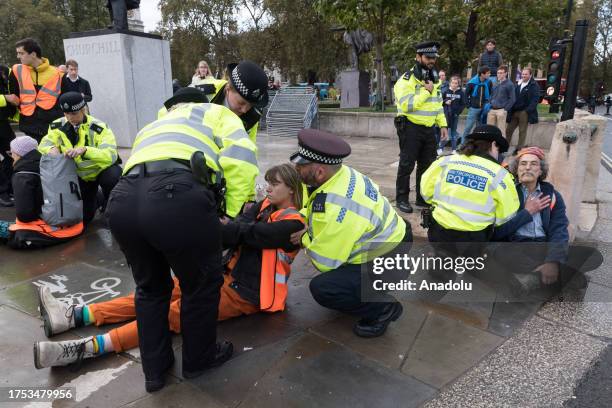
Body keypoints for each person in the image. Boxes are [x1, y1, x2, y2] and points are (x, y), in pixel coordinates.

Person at [33, 164, 305, 369]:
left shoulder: (294, 224)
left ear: (292, 188)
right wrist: (236, 225)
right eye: (268, 182)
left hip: (246, 293)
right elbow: (238, 226)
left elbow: (243, 233)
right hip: (223, 275)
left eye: (275, 183)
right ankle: (75, 315)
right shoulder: (264, 207)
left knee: (173, 315)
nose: (267, 187)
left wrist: (235, 226)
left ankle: (87, 348)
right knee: (154, 294)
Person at [104, 99, 256, 393]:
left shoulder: (155, 125)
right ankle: (199, 359)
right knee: (200, 285)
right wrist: (228, 215)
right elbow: (242, 161)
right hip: (176, 195)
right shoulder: (218, 114)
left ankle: (154, 371)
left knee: (150, 289)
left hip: (122, 200)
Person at [290, 129, 412, 338]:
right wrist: (302, 217)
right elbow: (317, 208)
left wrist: (303, 238)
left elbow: (325, 262)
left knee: (324, 288)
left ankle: (383, 309)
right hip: (396, 240)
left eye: (301, 166)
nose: (296, 169)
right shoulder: (342, 173)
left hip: (387, 260)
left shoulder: (336, 206)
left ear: (319, 172)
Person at [421, 125, 519, 248]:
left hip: (439, 232)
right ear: (494, 144)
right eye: (499, 150)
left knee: (440, 264)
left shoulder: (445, 162)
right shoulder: (500, 175)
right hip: (473, 240)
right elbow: (505, 216)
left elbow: (425, 193)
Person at [38, 92, 121, 225]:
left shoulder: (99, 127)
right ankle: (97, 198)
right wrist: (51, 149)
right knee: (86, 218)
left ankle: (110, 204)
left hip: (100, 170)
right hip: (78, 176)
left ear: (83, 110)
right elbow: (44, 143)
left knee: (113, 177)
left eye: (74, 114)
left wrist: (86, 150)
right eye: (67, 114)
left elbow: (111, 155)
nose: (70, 117)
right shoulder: (57, 125)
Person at [492, 147, 569, 290]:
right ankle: (535, 276)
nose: (528, 167)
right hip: (515, 245)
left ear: (540, 171)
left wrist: (553, 261)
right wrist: (527, 213)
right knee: (497, 250)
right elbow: (497, 232)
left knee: (572, 257)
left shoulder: (552, 196)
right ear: (516, 170)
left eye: (534, 164)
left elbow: (559, 230)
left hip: (541, 246)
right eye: (523, 163)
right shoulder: (506, 193)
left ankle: (533, 275)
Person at [393, 41, 448, 213]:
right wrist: (426, 91)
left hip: (429, 129)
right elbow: (407, 105)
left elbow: (437, 104)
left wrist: (443, 124)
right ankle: (401, 199)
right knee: (406, 164)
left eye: (433, 57)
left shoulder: (434, 79)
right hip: (410, 128)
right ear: (418, 57)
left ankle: (422, 198)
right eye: (428, 57)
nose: (431, 60)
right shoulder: (406, 80)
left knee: (427, 166)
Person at [0, 136, 83, 248]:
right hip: (75, 226)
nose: (12, 157)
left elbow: (24, 215)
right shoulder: (51, 167)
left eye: (12, 153)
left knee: (10, 227)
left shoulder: (22, 175)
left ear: (18, 154)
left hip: (49, 232)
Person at [6, 38, 64, 141]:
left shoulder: (58, 74)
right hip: (29, 126)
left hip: (53, 127)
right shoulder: (17, 71)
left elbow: (63, 100)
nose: (18, 56)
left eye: (21, 53)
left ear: (33, 54)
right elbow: (15, 96)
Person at [506, 67, 539, 151]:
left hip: (524, 112)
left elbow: (535, 100)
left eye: (526, 74)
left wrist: (527, 111)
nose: (523, 75)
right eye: (523, 74)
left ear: (530, 75)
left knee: (522, 131)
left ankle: (519, 149)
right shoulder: (518, 84)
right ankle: (505, 147)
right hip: (515, 111)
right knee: (509, 130)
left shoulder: (534, 85)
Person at [460, 66, 493, 145]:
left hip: (484, 109)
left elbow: (491, 94)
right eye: (488, 73)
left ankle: (478, 145)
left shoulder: (489, 82)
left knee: (480, 129)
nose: (489, 75)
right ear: (482, 74)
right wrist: (468, 105)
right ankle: (462, 145)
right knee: (468, 128)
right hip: (473, 109)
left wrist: (488, 104)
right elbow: (465, 95)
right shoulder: (472, 82)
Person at [0, 64, 17, 207]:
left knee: (12, 155)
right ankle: (2, 193)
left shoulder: (6, 71)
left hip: (3, 124)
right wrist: (6, 98)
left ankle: (10, 188)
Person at [438, 75, 465, 154]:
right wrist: (445, 102)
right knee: (444, 132)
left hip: (455, 115)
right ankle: (440, 148)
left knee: (453, 133)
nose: (454, 85)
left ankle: (454, 149)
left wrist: (458, 112)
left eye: (456, 83)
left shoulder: (461, 93)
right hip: (446, 115)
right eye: (452, 83)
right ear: (450, 83)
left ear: (458, 84)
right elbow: (440, 101)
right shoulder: (446, 91)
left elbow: (463, 104)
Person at [486, 65, 515, 138]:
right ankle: (490, 147)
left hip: (501, 110)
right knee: (489, 130)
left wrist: (505, 110)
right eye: (498, 73)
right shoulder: (495, 82)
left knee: (501, 131)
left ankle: (501, 148)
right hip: (492, 109)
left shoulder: (509, 84)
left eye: (501, 73)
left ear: (506, 73)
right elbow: (491, 95)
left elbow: (512, 99)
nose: (499, 74)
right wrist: (489, 103)